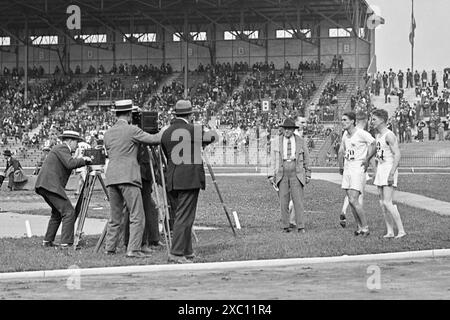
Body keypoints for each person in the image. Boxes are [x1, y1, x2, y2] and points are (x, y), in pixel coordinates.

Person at [103, 99, 162, 258]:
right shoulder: (132, 130)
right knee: (137, 215)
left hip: (111, 177)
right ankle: (133, 249)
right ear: (129, 114)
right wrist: (166, 131)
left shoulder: (107, 134)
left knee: (115, 216)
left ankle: (110, 248)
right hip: (128, 176)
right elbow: (154, 139)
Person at [161, 99, 217, 263]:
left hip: (172, 177)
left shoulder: (166, 132)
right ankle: (177, 253)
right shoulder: (194, 130)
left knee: (182, 216)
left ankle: (187, 251)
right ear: (191, 115)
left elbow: (166, 153)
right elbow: (212, 137)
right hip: (189, 179)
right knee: (185, 217)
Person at [35, 131, 92, 248]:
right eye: (76, 142)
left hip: (45, 185)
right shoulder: (62, 148)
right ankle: (66, 243)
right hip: (50, 185)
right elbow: (70, 164)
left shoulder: (60, 149)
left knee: (57, 213)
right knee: (69, 212)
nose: (77, 146)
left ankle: (47, 241)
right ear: (70, 141)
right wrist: (85, 160)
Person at [365, 109, 406, 239]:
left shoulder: (389, 135)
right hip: (381, 168)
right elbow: (377, 152)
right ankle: (390, 231)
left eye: (374, 119)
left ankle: (401, 230)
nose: (372, 122)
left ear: (382, 120)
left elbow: (397, 154)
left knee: (388, 202)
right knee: (382, 203)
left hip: (389, 167)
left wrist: (392, 173)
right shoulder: (378, 136)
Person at [268, 118, 311, 233]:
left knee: (298, 201)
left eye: (289, 129)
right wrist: (270, 175)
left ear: (293, 130)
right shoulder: (276, 141)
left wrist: (308, 173)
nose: (286, 131)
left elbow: (307, 158)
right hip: (282, 173)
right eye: (285, 129)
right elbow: (272, 159)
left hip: (296, 172)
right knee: (283, 201)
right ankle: (285, 226)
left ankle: (300, 226)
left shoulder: (300, 141)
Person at [338, 112, 375, 236]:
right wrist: (342, 165)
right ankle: (359, 227)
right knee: (351, 199)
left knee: (354, 199)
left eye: (345, 120)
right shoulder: (345, 135)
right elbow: (343, 150)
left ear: (353, 121)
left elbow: (373, 143)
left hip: (357, 168)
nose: (343, 122)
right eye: (342, 120)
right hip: (348, 167)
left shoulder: (361, 133)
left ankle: (365, 227)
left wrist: (367, 159)